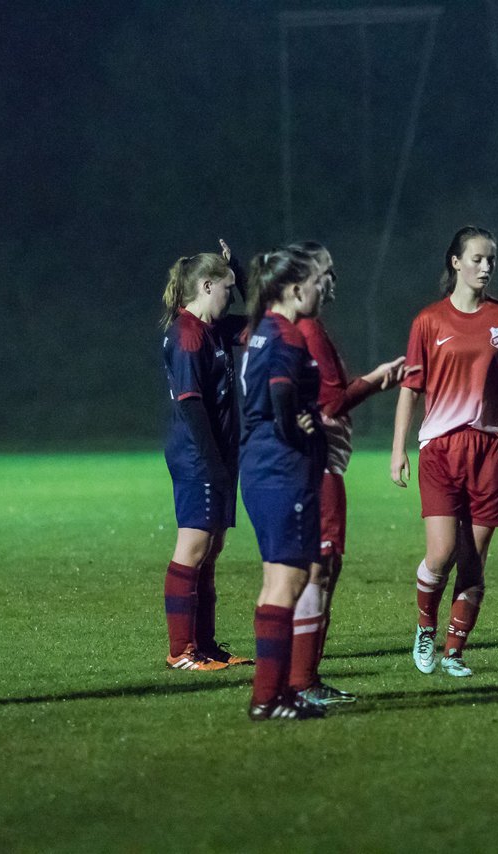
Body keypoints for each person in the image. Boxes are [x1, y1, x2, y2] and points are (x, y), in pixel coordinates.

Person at [391, 226, 498, 678]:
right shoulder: (428, 321)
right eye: (477, 259)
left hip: (490, 450)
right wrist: (398, 450)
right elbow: (410, 390)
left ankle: (454, 651)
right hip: (440, 450)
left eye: (491, 259)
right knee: (442, 551)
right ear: (455, 263)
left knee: (475, 560)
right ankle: (425, 631)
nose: (486, 267)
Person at [285, 241, 407, 705]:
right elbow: (332, 402)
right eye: (324, 273)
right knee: (319, 569)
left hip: (308, 462)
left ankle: (301, 679)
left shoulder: (291, 327)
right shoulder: (309, 330)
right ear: (300, 282)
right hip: (317, 464)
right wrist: (378, 380)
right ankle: (301, 682)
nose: (331, 281)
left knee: (316, 570)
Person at [240, 250, 328, 720]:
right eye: (316, 282)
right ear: (295, 290)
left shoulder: (260, 331)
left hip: (260, 466)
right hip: (280, 469)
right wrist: (300, 435)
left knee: (279, 579)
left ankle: (273, 694)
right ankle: (266, 698)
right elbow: (280, 398)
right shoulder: (288, 335)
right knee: (287, 580)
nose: (320, 291)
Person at [159, 243, 253, 671]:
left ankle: (206, 645)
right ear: (206, 285)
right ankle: (182, 651)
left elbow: (266, 323)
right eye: (227, 290)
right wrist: (214, 463)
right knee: (193, 548)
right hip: (199, 458)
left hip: (216, 456)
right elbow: (192, 403)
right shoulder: (189, 335)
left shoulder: (213, 328)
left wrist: (241, 273)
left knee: (210, 550)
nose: (230, 298)